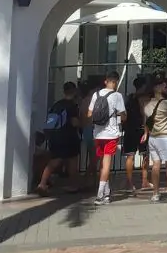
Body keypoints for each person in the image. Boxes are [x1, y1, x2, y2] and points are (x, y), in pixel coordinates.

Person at [86, 71, 126, 205]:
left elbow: (89, 114)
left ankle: (107, 193)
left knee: (102, 163)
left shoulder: (96, 94)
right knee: (107, 164)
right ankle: (99, 195)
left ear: (106, 81)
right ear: (116, 81)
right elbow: (123, 114)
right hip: (111, 134)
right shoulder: (117, 96)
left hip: (97, 134)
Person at [36, 81, 81, 195]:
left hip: (55, 137)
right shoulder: (72, 106)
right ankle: (73, 185)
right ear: (74, 91)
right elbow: (75, 122)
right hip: (69, 137)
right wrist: (82, 124)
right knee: (72, 161)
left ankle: (42, 183)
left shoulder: (57, 105)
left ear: (64, 91)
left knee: (54, 161)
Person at [123, 76, 153, 194]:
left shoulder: (129, 98)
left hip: (129, 129)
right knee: (145, 155)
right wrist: (147, 130)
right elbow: (144, 114)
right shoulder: (144, 98)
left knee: (130, 156)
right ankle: (144, 181)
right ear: (144, 86)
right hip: (140, 129)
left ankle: (130, 183)